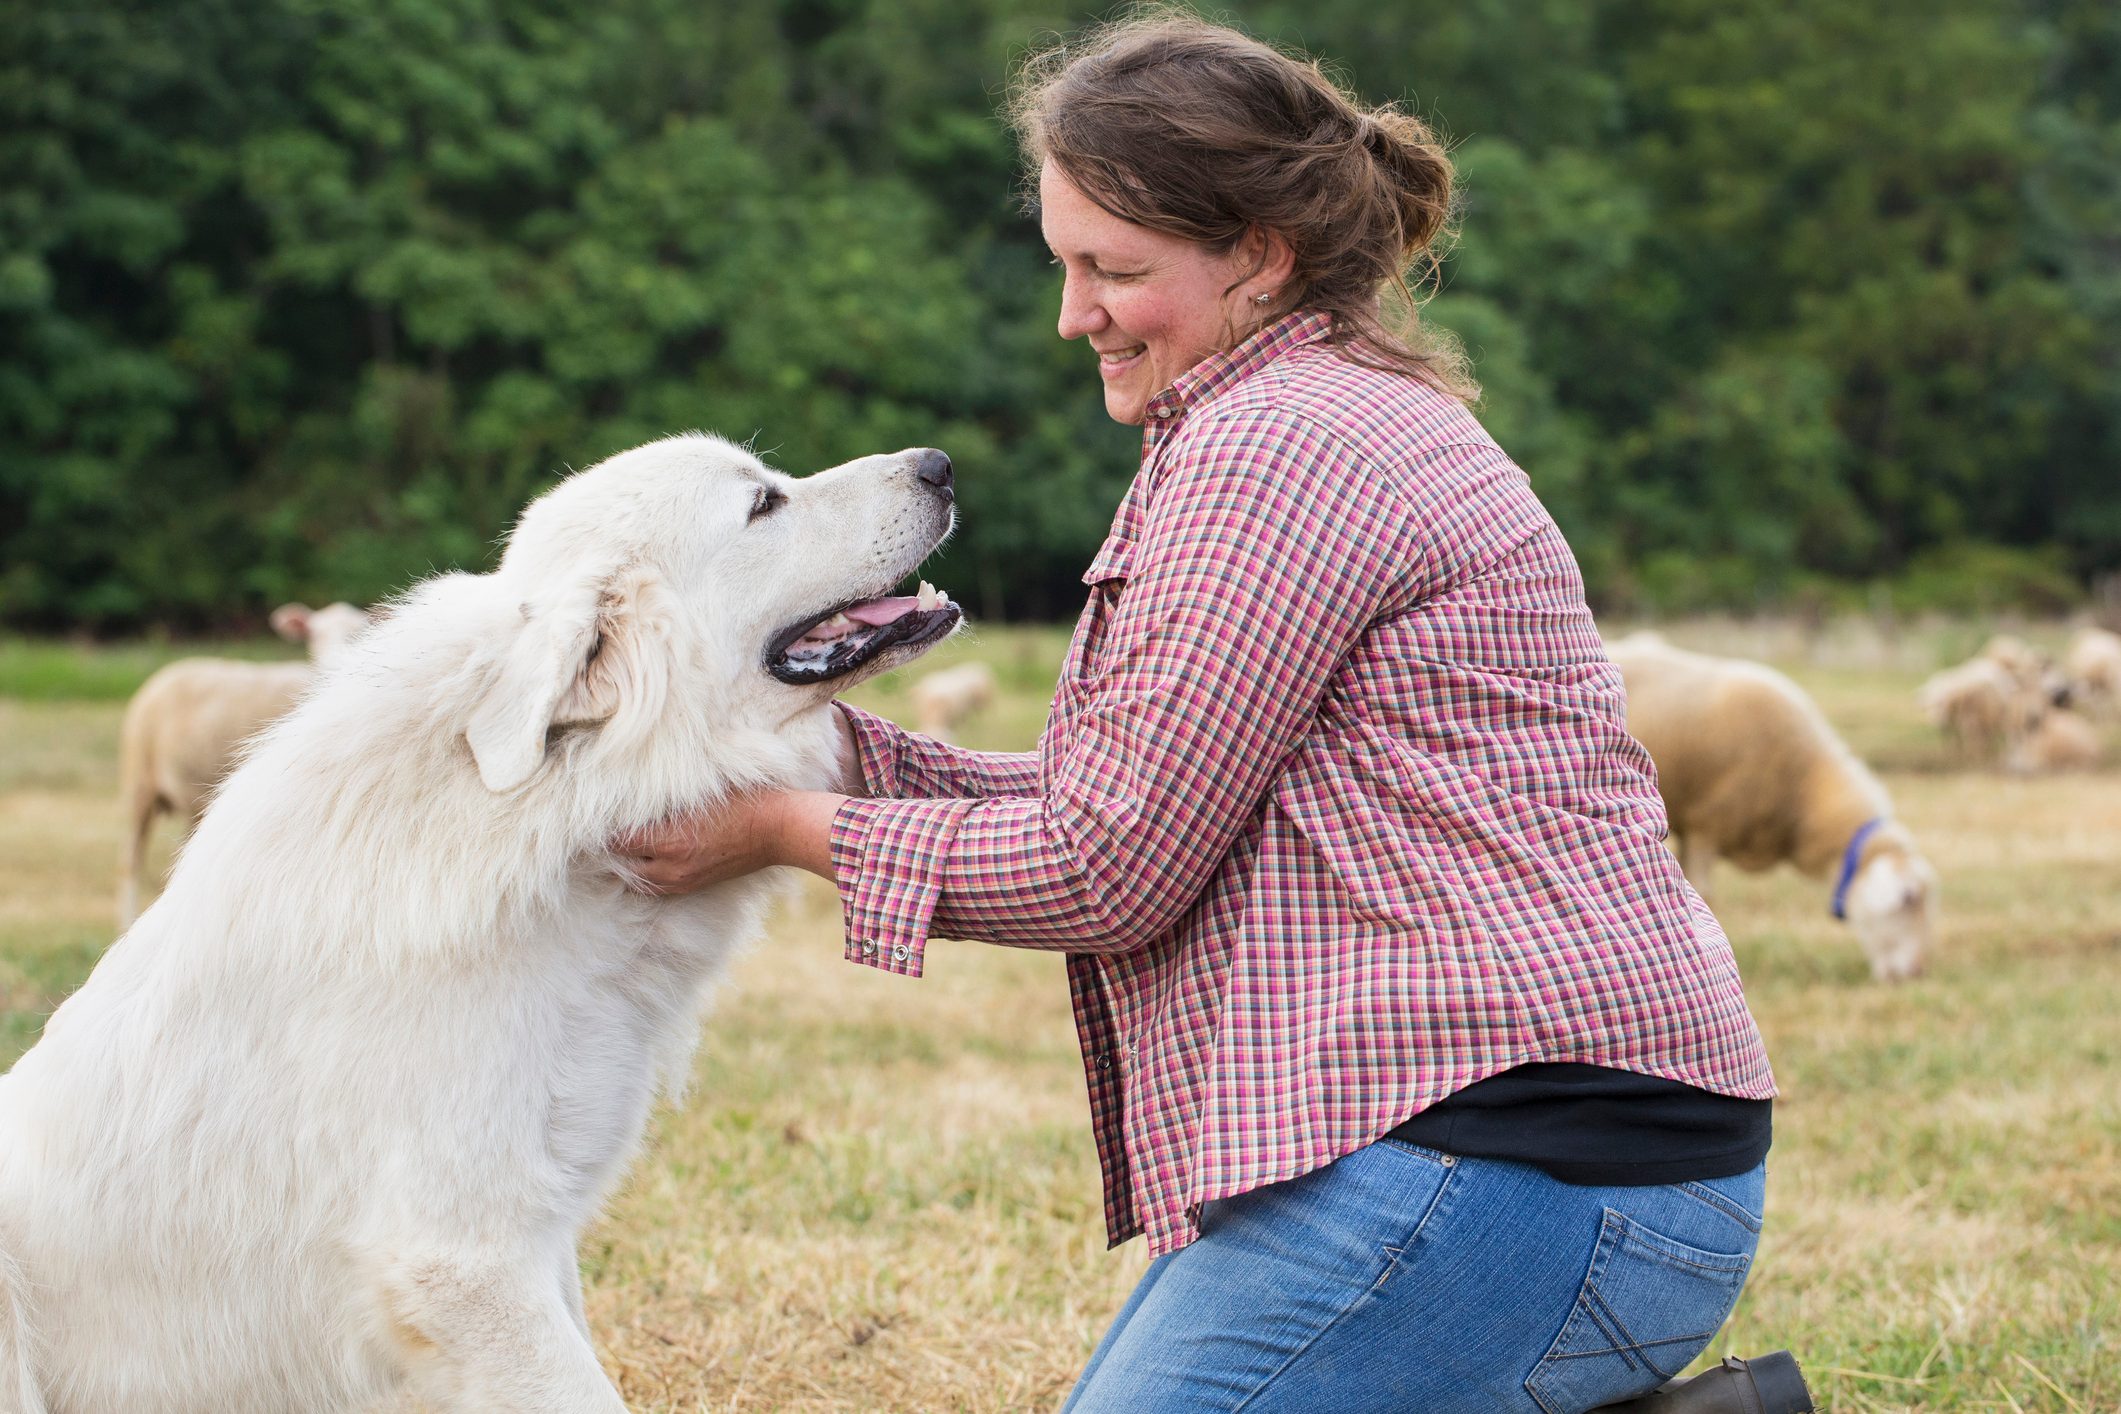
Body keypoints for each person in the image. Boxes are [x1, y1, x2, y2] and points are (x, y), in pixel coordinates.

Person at [620, 15, 1813, 1413]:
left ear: (1258, 252)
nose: (1073, 315)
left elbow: (1104, 865)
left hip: (1526, 1168)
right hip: (1570, 1156)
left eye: (1115, 270)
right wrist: (838, 749)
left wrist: (778, 821)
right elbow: (1136, 789)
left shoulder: (1274, 447)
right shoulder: (1307, 409)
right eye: (1063, 264)